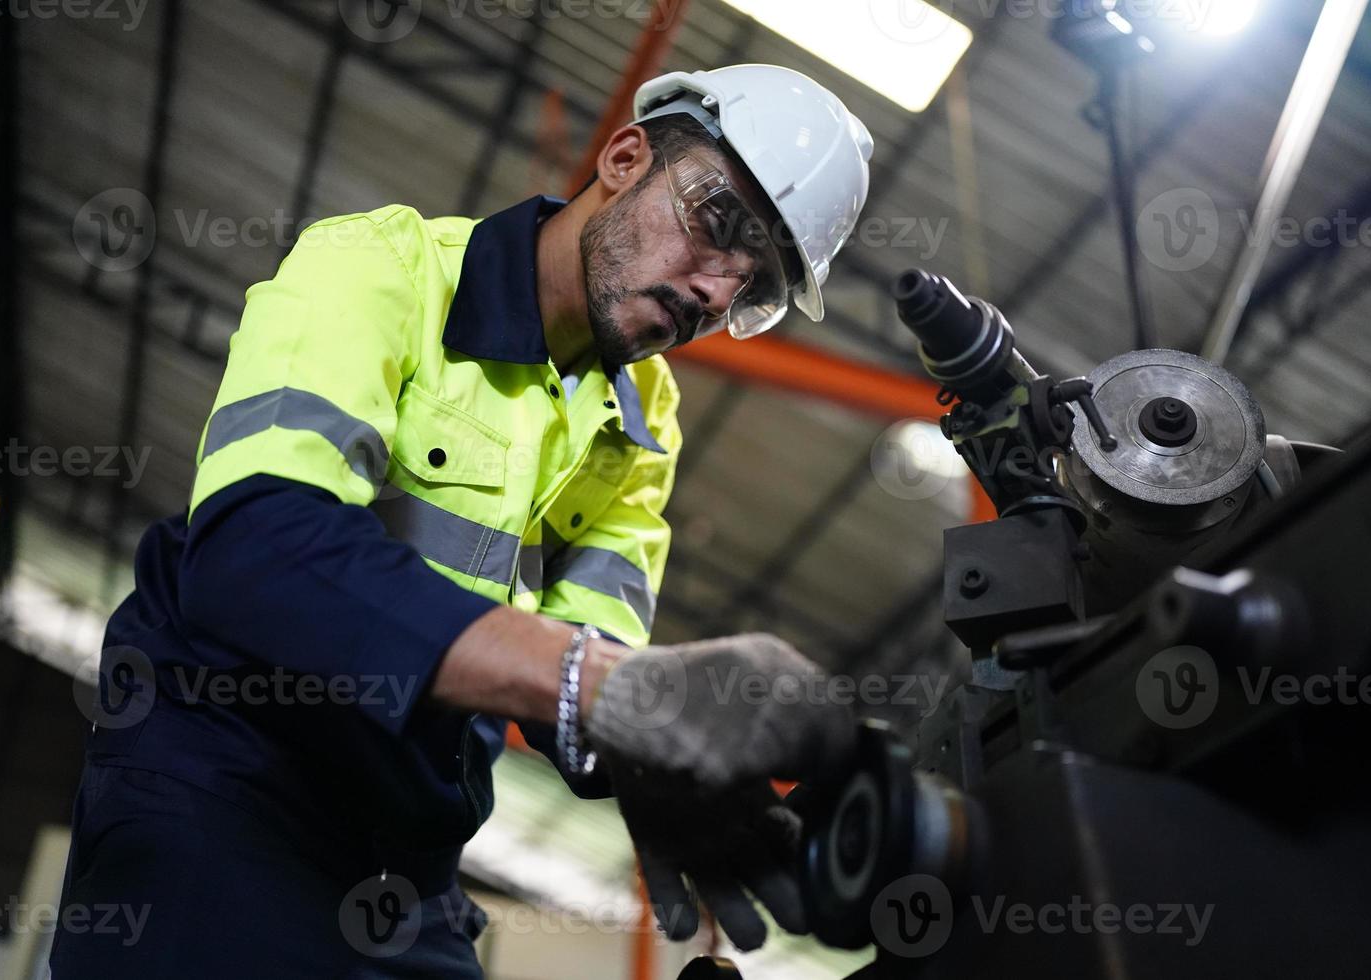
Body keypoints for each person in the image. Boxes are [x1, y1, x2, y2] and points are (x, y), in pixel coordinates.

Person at [51, 64, 874, 977]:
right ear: (625, 155)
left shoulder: (646, 419)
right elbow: (256, 548)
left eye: (752, 285)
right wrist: (591, 684)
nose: (717, 291)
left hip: (408, 853)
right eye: (720, 224)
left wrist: (660, 766)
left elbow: (595, 649)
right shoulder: (380, 270)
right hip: (228, 783)